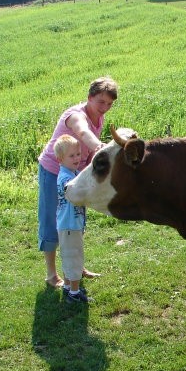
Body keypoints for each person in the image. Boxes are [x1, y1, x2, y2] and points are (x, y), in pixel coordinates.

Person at [38, 76, 118, 288]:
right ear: (89, 97)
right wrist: (100, 147)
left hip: (75, 174)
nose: (105, 108)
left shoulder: (98, 118)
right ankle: (51, 274)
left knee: (75, 220)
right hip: (53, 172)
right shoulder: (75, 115)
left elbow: (87, 152)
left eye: (110, 104)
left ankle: (75, 267)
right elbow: (83, 132)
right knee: (52, 222)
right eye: (101, 102)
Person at [54, 135, 90, 302]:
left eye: (78, 154)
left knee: (69, 256)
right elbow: (73, 193)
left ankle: (68, 287)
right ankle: (74, 295)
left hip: (71, 224)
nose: (77, 158)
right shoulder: (65, 178)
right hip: (69, 225)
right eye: (72, 156)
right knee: (74, 257)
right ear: (60, 159)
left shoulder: (72, 173)